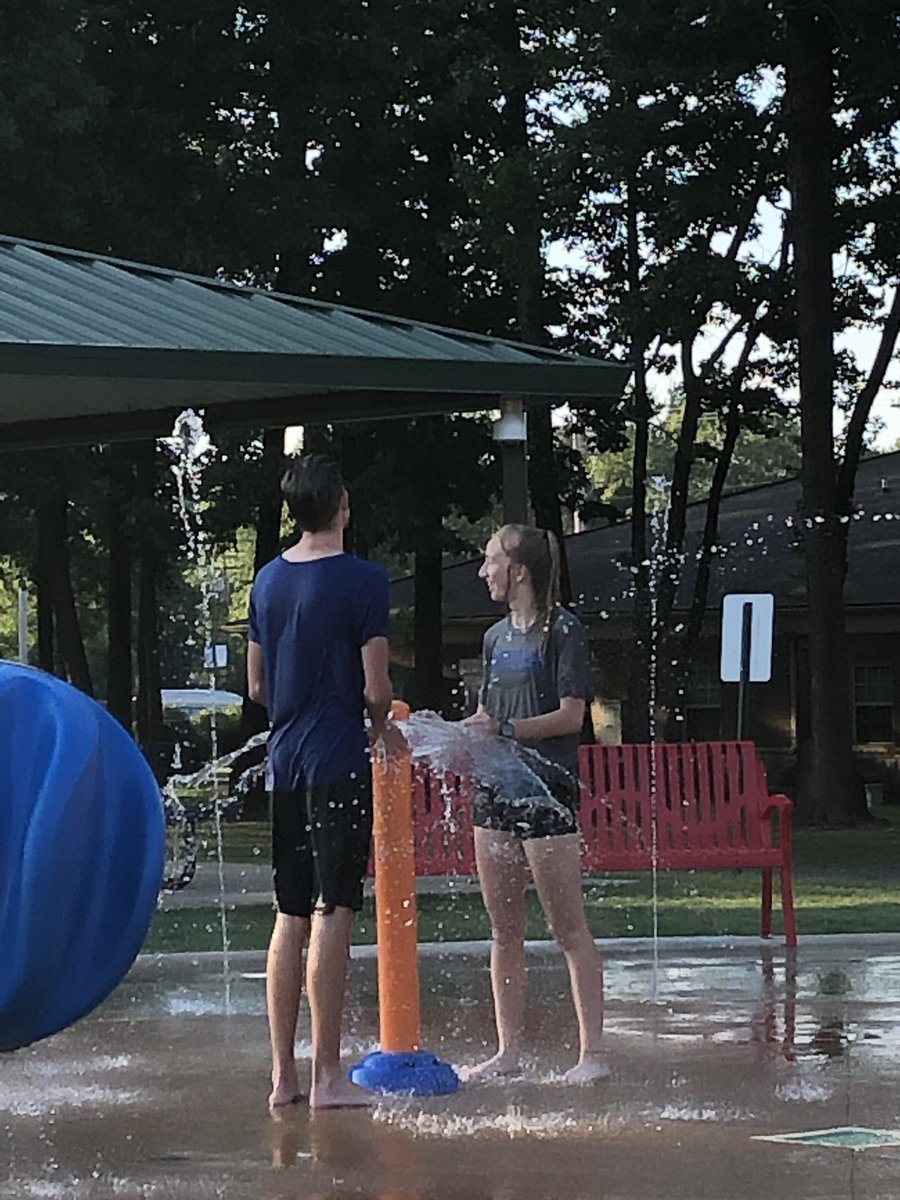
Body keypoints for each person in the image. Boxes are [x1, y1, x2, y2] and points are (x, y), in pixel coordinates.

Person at [247, 453, 392, 1109]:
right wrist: (380, 720)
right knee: (335, 910)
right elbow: (378, 689)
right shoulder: (364, 582)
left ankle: (281, 1077)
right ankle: (327, 1076)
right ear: (343, 504)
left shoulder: (266, 583)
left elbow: (255, 684)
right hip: (337, 761)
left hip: (284, 764)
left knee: (290, 912)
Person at [460, 523, 608, 1085]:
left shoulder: (562, 632)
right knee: (504, 930)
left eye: (491, 560)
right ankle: (508, 1053)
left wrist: (508, 728)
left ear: (518, 570)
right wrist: (455, 735)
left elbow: (573, 717)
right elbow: (485, 715)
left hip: (547, 794)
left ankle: (592, 1054)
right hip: (494, 794)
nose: (483, 571)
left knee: (568, 929)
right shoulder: (494, 638)